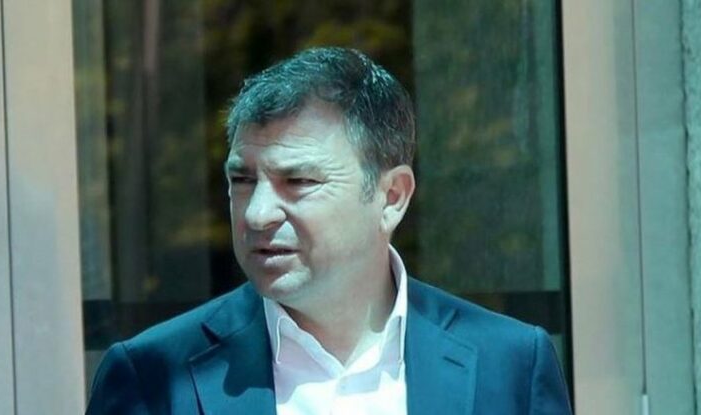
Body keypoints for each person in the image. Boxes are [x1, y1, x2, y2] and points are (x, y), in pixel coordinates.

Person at [86, 47, 572, 415]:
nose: (257, 214)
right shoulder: (150, 376)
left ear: (392, 197)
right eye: (243, 180)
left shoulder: (508, 364)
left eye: (298, 181)